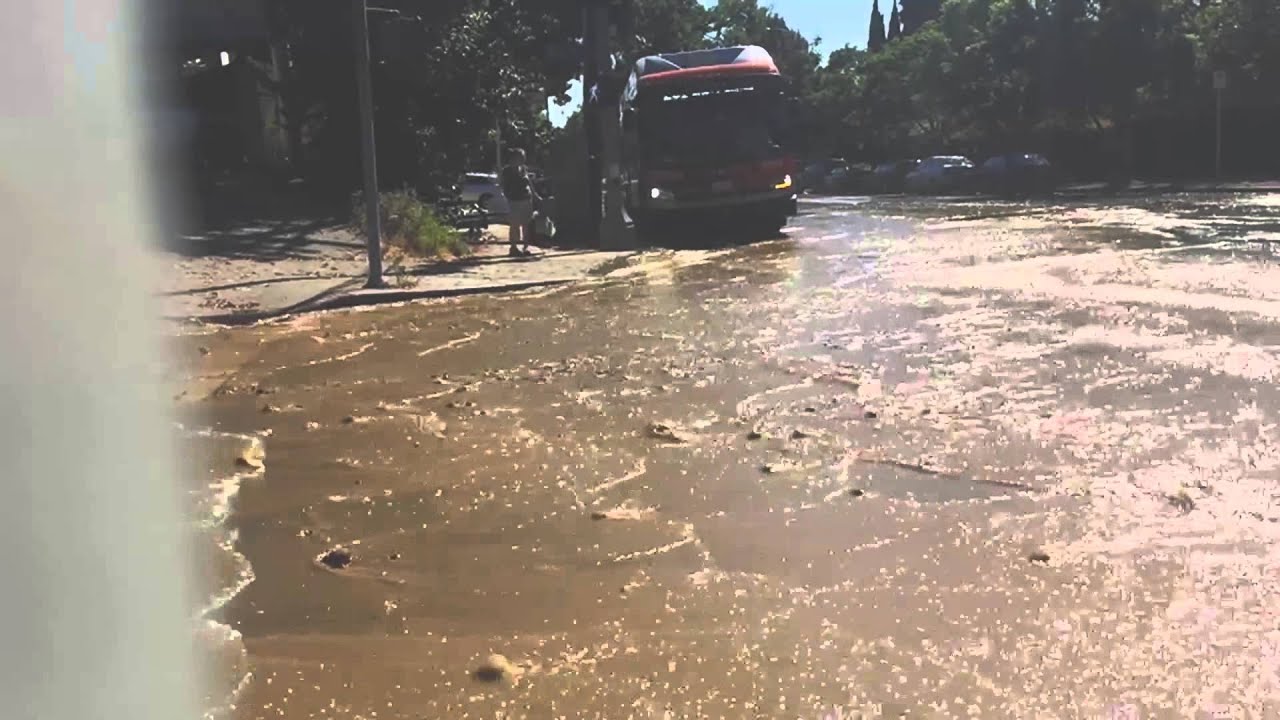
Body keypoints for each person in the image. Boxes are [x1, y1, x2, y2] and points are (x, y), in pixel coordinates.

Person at [500, 148, 537, 257]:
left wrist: (535, 195)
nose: (522, 159)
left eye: (523, 157)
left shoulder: (523, 169)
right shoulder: (507, 171)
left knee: (526, 224)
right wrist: (507, 196)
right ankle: (514, 247)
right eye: (520, 157)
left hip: (526, 198)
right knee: (514, 225)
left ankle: (525, 247)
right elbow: (503, 185)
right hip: (514, 200)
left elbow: (529, 183)